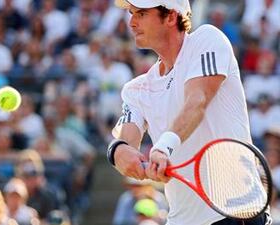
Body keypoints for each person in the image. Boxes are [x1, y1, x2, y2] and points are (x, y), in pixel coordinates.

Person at [108, 0, 272, 224]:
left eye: (142, 14)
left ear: (171, 17)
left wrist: (163, 148)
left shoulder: (207, 39)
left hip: (236, 213)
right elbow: (126, 141)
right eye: (131, 13)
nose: (132, 22)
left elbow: (197, 101)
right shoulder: (136, 89)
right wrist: (119, 152)